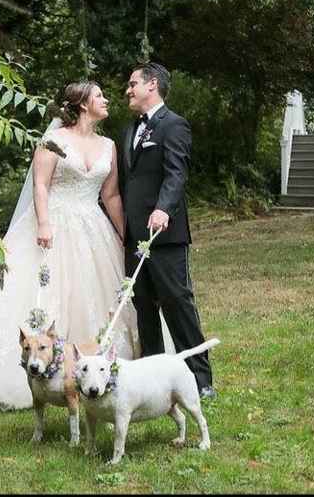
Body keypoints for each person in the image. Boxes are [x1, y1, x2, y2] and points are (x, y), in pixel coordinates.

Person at [0, 81, 140, 410]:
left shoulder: (108, 145)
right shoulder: (54, 140)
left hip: (92, 226)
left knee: (95, 291)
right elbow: (41, 184)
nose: (106, 100)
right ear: (82, 103)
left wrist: (123, 234)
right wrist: (44, 222)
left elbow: (111, 195)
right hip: (54, 221)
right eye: (99, 95)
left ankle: (88, 366)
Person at [118, 62, 215, 400]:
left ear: (152, 85)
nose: (127, 90)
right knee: (143, 306)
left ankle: (201, 379)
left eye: (133, 84)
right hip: (134, 235)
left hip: (165, 234)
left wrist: (163, 208)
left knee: (177, 303)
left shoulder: (174, 125)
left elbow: (176, 173)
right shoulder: (129, 129)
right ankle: (152, 382)